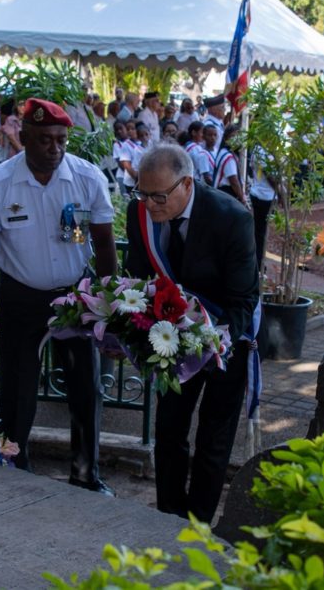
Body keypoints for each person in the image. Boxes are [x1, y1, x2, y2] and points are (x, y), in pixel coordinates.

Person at [0, 98, 118, 495]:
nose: (55, 148)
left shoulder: (87, 178)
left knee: (86, 389)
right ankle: (16, 468)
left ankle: (86, 475)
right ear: (24, 137)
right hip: (20, 298)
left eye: (61, 139)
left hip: (75, 298)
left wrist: (109, 309)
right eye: (45, 139)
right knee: (16, 392)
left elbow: (103, 247)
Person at [123, 144, 257, 523]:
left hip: (225, 338)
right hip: (171, 340)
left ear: (186, 183)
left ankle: (197, 522)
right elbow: (139, 277)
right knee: (168, 429)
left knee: (213, 438)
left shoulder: (232, 217)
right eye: (142, 193)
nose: (149, 204)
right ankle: (168, 514)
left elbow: (243, 298)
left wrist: (214, 344)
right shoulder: (141, 213)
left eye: (159, 196)